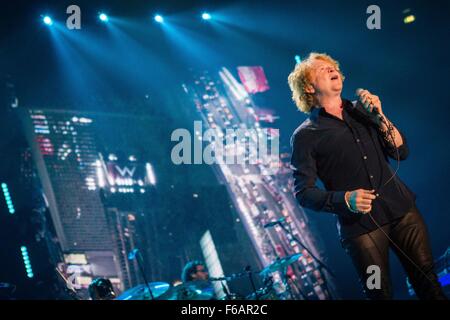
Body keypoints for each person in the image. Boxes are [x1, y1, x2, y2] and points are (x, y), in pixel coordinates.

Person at [287, 52, 446, 300]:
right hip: (361, 229)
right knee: (379, 294)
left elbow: (401, 152)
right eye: (321, 69)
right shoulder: (305, 136)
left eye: (332, 67)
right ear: (308, 87)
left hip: (403, 212)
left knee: (428, 282)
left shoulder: (364, 111)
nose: (330, 70)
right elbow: (303, 193)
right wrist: (344, 199)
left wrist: (380, 117)